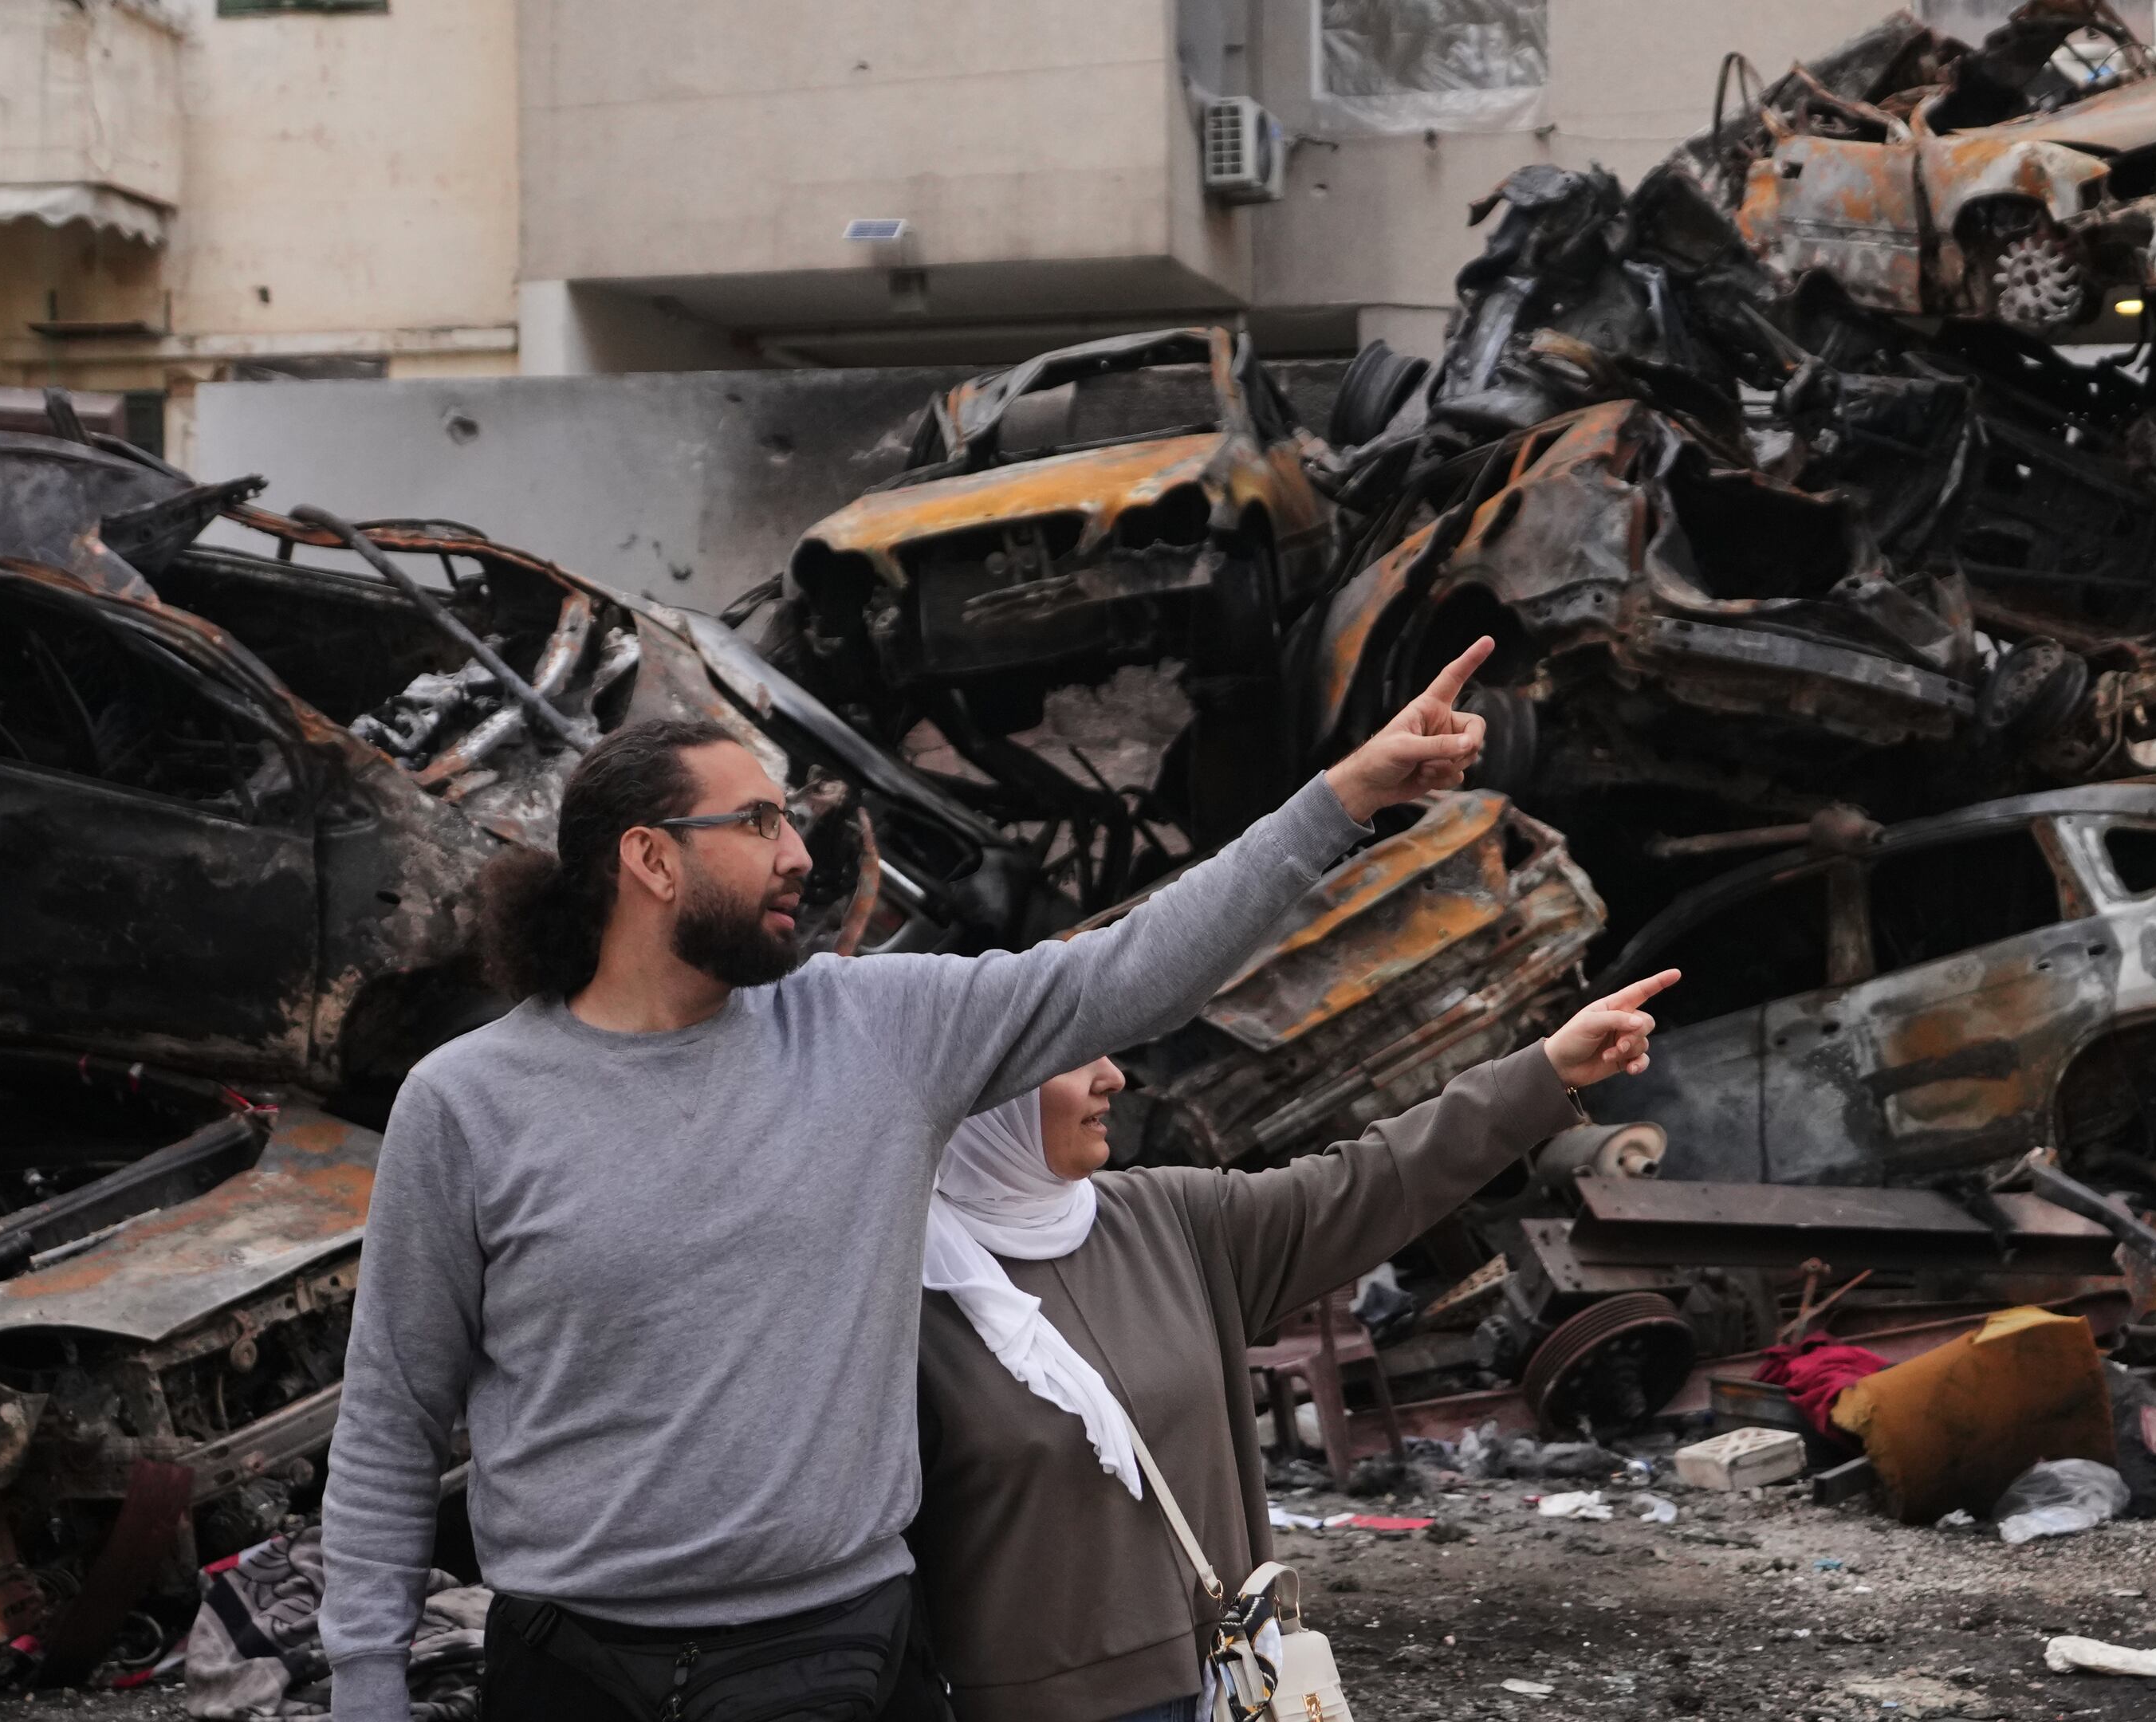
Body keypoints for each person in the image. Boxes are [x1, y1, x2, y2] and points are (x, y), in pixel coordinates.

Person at [318, 642, 1505, 1722]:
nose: (798, 854)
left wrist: (1344, 801)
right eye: (759, 824)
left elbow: (1131, 974)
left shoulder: (872, 1030)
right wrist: (366, 1689)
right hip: (576, 1675)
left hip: (834, 1657)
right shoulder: (467, 1103)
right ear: (650, 861)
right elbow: (391, 1421)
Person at [911, 966, 1681, 1722]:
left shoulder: (1167, 1221)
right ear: (985, 1093)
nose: (1114, 1078)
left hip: (1229, 1684)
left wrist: (1542, 1075)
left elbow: (1372, 1181)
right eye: (1075, 1058)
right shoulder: (897, 1296)